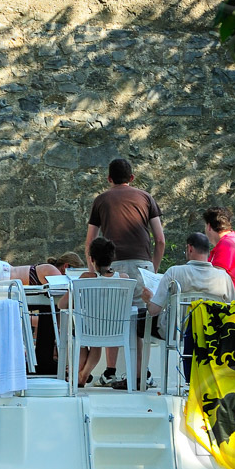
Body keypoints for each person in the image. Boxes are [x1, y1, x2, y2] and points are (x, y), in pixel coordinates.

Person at [85, 158, 165, 385]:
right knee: (140, 320)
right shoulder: (146, 198)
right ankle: (142, 374)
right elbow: (160, 239)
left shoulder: (101, 200)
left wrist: (94, 272)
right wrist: (152, 269)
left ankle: (110, 372)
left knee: (113, 315)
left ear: (109, 179)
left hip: (113, 265)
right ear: (132, 178)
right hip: (142, 264)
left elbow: (90, 241)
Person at [59, 236, 136, 388]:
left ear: (92, 259)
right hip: (115, 329)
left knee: (79, 337)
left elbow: (62, 304)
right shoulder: (123, 278)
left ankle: (79, 376)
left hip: (88, 329)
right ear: (111, 258)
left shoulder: (85, 278)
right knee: (94, 342)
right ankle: (82, 375)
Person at [148, 231, 235, 326]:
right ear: (207, 251)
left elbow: (154, 311)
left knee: (142, 324)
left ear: (190, 248)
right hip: (211, 336)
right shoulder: (224, 278)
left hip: (177, 336)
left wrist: (149, 298)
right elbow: (233, 311)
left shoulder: (173, 273)